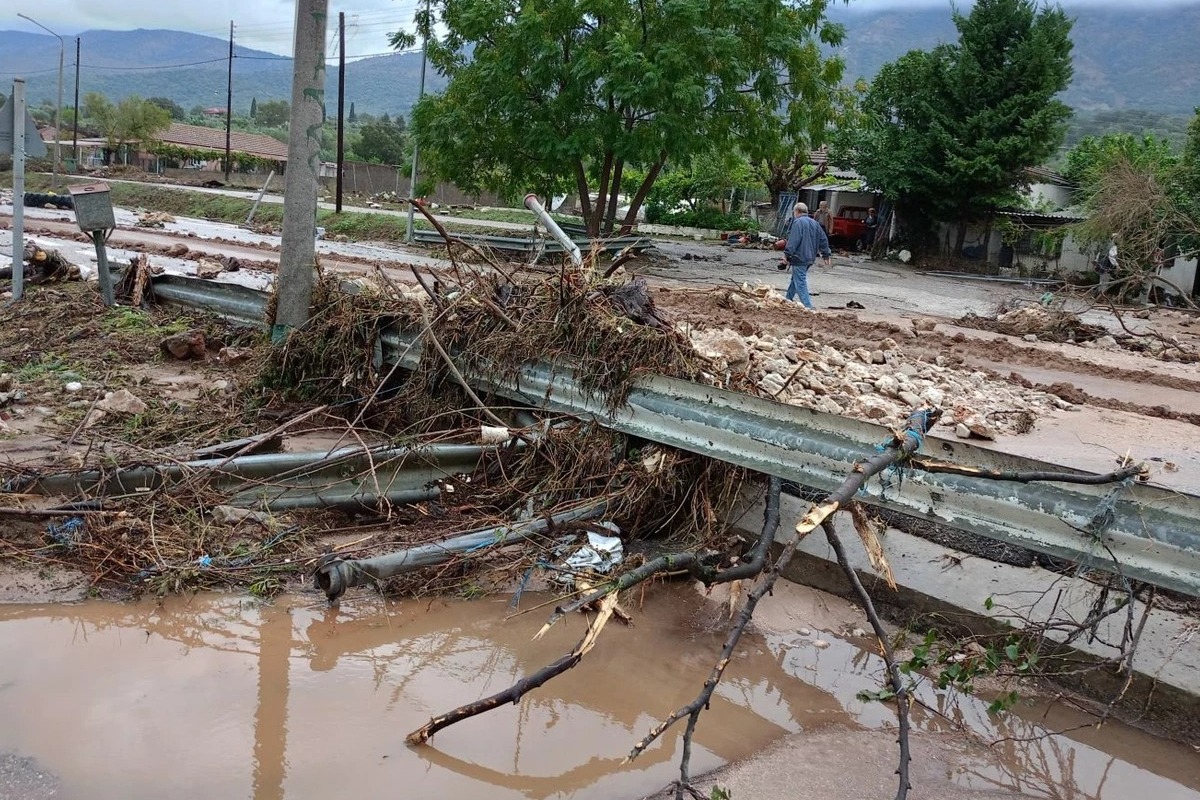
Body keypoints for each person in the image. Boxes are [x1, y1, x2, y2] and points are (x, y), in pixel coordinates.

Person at [777, 201, 832, 309]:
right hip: (810, 257)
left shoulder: (798, 222)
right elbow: (823, 240)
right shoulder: (815, 223)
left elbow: (793, 240)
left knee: (800, 281)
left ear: (796, 211)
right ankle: (788, 299)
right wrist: (826, 255)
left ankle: (808, 306)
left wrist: (786, 255)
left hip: (800, 257)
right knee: (795, 279)